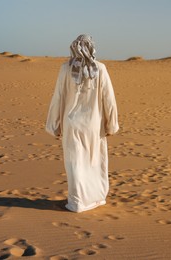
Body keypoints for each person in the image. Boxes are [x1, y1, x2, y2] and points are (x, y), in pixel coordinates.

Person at [45, 34, 119, 212]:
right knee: (94, 161)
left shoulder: (65, 68)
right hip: (93, 126)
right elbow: (109, 99)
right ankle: (94, 198)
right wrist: (111, 125)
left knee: (75, 163)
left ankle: (78, 201)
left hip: (71, 124)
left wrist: (54, 125)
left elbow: (58, 97)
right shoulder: (100, 69)